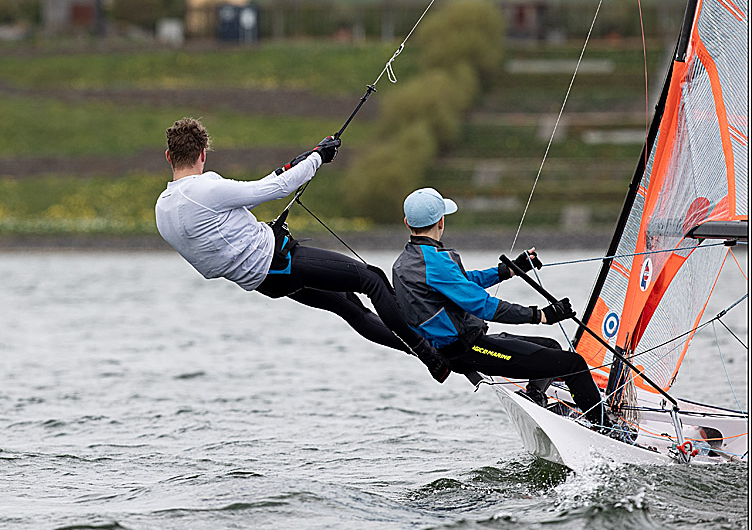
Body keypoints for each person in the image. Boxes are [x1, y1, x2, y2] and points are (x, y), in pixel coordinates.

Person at [154, 117, 451, 383]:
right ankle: (429, 351)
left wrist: (296, 164)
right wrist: (318, 158)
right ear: (203, 154)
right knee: (371, 279)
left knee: (348, 306)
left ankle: (430, 357)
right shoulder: (206, 189)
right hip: (282, 263)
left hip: (266, 283)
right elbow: (274, 190)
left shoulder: (163, 209)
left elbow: (256, 193)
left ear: (169, 156)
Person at [391, 187, 634, 441]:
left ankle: (535, 398)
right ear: (441, 221)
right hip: (469, 350)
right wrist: (541, 315)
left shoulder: (405, 263)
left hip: (456, 349)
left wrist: (509, 270)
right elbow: (483, 306)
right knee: (573, 364)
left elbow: (461, 282)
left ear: (407, 222)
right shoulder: (434, 262)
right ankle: (608, 431)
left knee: (552, 345)